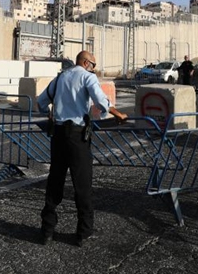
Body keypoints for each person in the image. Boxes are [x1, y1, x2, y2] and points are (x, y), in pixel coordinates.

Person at [36, 50, 128, 247]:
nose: (94, 69)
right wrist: (118, 113)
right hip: (77, 137)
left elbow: (41, 102)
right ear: (86, 63)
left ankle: (47, 231)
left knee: (55, 181)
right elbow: (101, 102)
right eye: (93, 65)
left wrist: (51, 114)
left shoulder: (60, 78)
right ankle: (83, 233)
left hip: (58, 136)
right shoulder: (87, 77)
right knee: (82, 185)